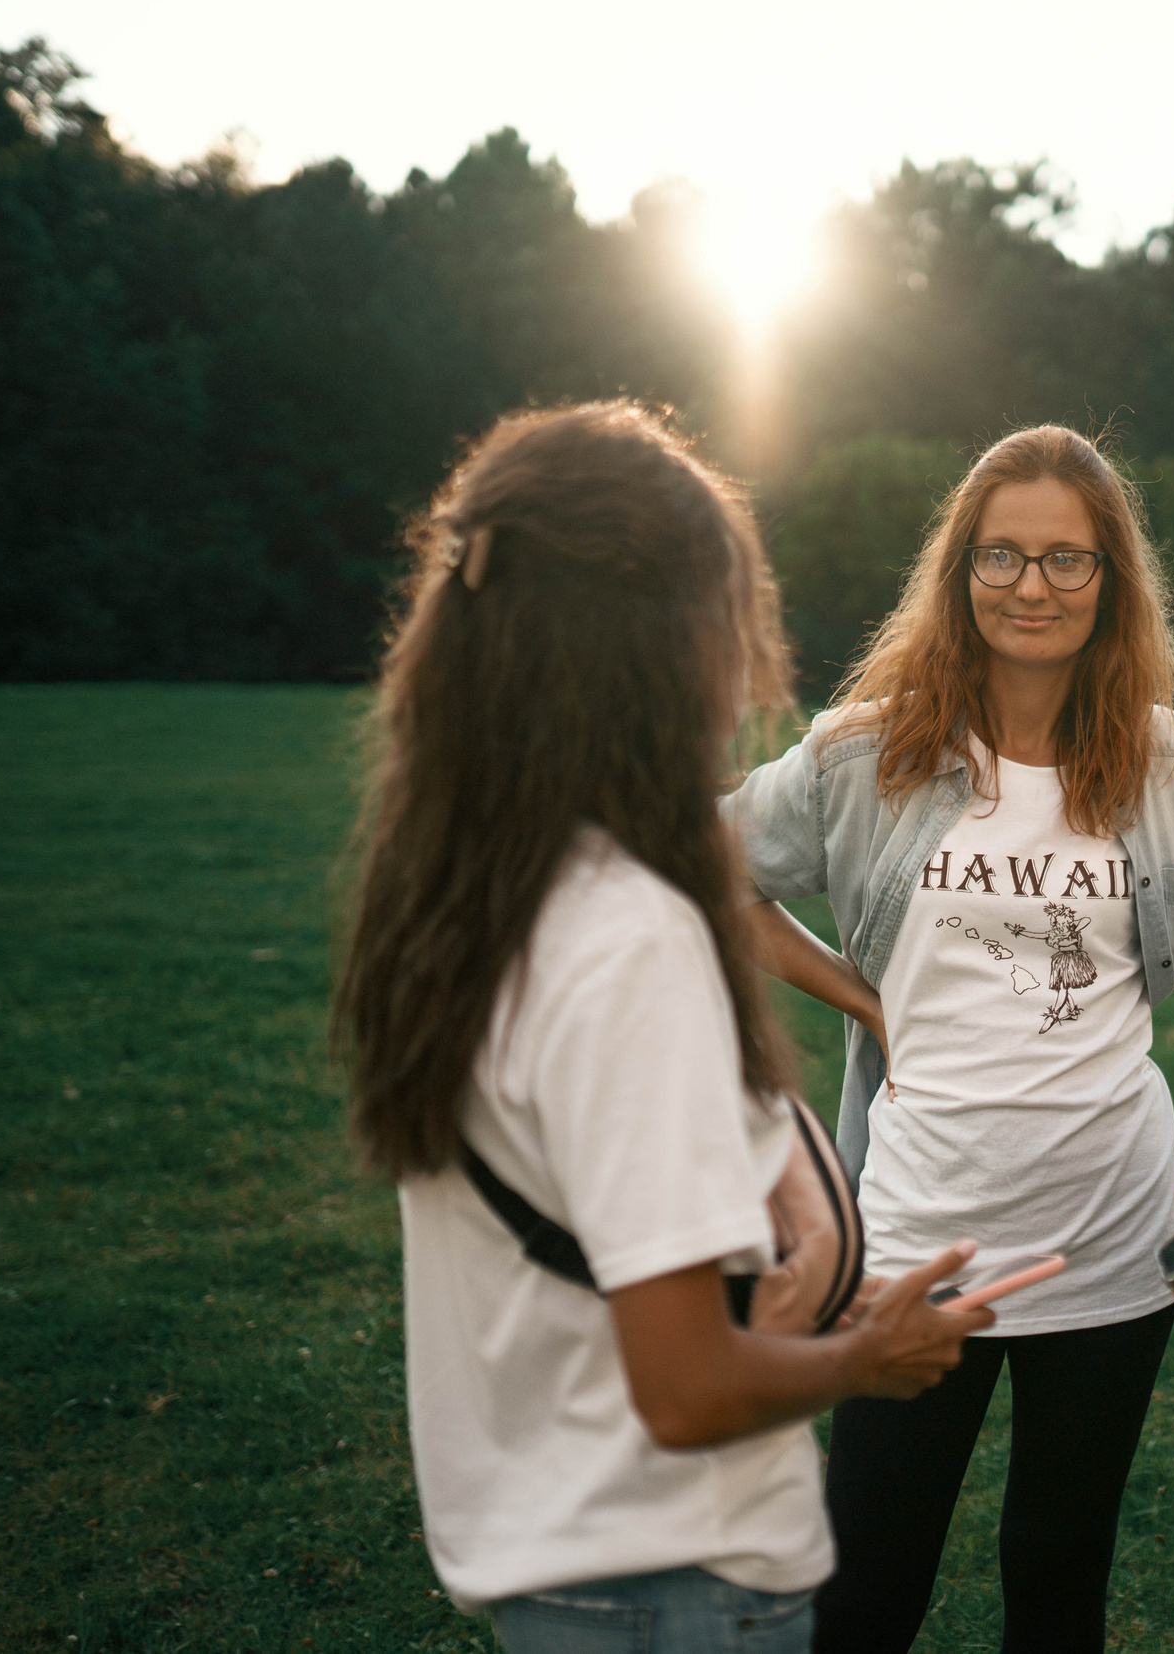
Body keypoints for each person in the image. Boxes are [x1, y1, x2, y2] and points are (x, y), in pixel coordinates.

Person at [332, 404, 992, 1653]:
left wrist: (788, 1285)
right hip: (673, 1585)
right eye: (730, 621)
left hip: (557, 1570)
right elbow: (688, 1390)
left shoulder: (470, 897)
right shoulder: (628, 938)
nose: (745, 672)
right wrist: (873, 1356)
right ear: (650, 642)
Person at [720, 423, 1174, 1652]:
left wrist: (1165, 964)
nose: (1030, 586)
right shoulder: (865, 753)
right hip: (919, 1222)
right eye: (1000, 556)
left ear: (1110, 583)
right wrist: (866, 1000)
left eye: (1065, 560)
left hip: (1110, 1225)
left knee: (1058, 1572)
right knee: (868, 1580)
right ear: (960, 572)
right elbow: (704, 866)